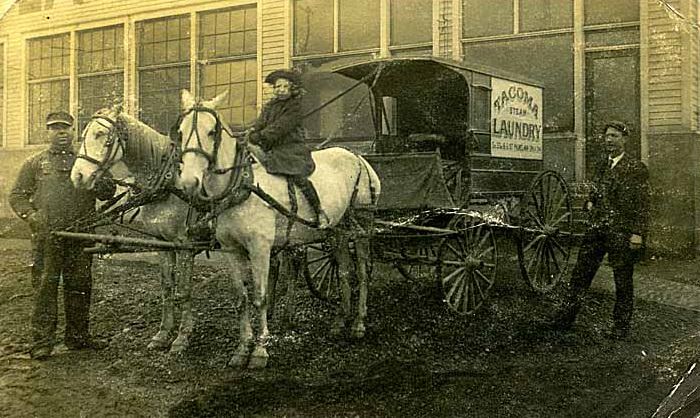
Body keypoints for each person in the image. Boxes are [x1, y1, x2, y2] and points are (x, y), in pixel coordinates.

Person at [9, 110, 116, 360]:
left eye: (66, 128)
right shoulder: (35, 163)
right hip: (48, 237)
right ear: (47, 132)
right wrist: (31, 217)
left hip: (80, 237)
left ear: (73, 132)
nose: (61, 133)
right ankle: (42, 342)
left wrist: (101, 183)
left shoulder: (87, 160)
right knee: (45, 288)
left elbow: (107, 193)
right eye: (55, 128)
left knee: (79, 286)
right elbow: (17, 196)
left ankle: (78, 338)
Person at [554, 121, 650, 339]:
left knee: (622, 281)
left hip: (621, 231)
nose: (609, 140)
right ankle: (564, 318)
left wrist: (638, 233)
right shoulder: (600, 165)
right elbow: (595, 190)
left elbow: (643, 203)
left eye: (614, 136)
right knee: (580, 275)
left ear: (625, 140)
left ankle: (621, 326)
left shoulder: (636, 169)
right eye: (607, 136)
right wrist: (589, 201)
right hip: (597, 229)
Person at [246, 69, 330, 229]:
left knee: (298, 177)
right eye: (278, 87)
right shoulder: (270, 106)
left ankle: (319, 211)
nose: (281, 90)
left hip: (290, 148)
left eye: (285, 87)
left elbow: (281, 127)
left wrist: (260, 136)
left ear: (291, 88)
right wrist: (252, 132)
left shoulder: (295, 106)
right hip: (270, 146)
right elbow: (260, 123)